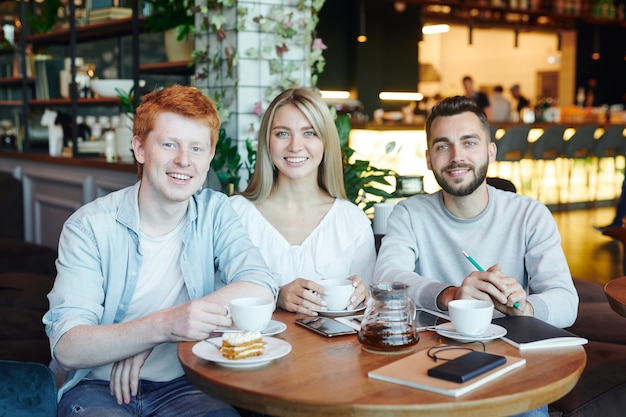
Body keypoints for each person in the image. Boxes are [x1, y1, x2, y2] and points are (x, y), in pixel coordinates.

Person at [44, 85, 278, 416]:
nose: (184, 160)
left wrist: (157, 335)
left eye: (197, 148)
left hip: (189, 384)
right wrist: (161, 326)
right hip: (99, 386)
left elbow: (260, 286)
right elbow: (69, 346)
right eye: (169, 144)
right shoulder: (89, 227)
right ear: (140, 148)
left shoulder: (216, 212)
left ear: (210, 156)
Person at [374, 95, 578, 329]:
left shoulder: (530, 214)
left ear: (491, 152)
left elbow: (566, 302)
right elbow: (386, 278)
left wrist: (526, 309)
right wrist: (451, 295)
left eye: (469, 142)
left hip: (509, 344)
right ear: (429, 159)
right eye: (443, 146)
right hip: (431, 349)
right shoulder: (409, 213)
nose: (456, 157)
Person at [229, 88, 376, 317]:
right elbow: (212, 297)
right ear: (267, 142)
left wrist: (363, 296)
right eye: (282, 133)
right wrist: (275, 296)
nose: (295, 146)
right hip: (254, 351)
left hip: (330, 352)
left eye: (309, 133)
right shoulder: (235, 214)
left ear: (326, 143)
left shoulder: (352, 221)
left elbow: (366, 313)